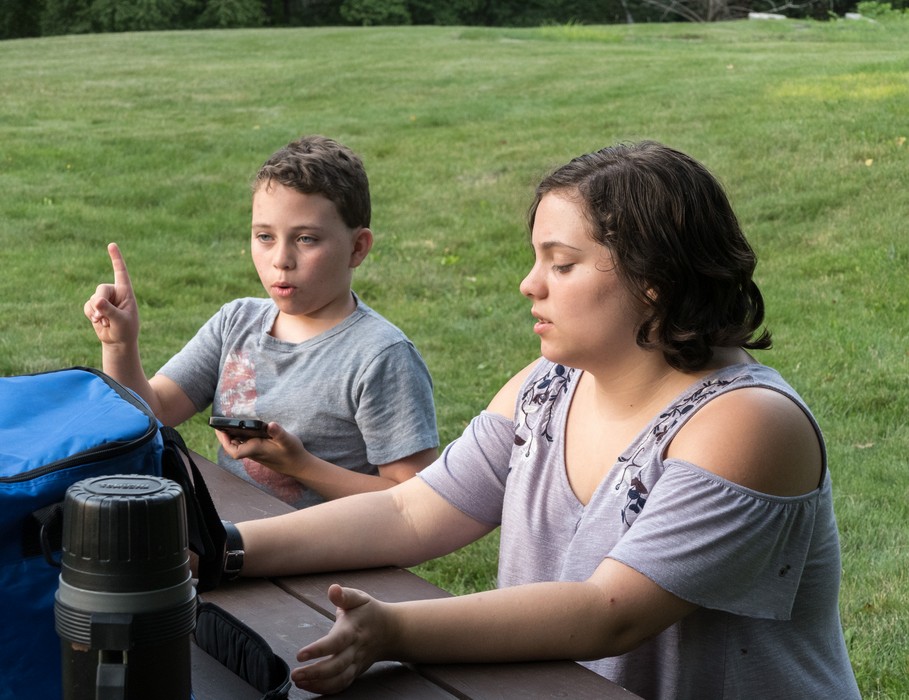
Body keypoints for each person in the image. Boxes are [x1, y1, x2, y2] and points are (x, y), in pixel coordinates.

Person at [220, 141, 861, 698]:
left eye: (562, 263)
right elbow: (410, 512)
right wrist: (220, 549)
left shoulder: (744, 423)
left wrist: (394, 629)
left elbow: (609, 611)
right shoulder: (546, 387)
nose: (530, 285)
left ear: (655, 278)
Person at [84, 135, 439, 509]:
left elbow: (415, 501)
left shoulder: (381, 356)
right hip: (233, 533)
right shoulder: (236, 322)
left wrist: (300, 465)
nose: (281, 259)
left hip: (328, 554)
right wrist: (119, 344)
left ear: (357, 247)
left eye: (305, 239)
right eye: (265, 237)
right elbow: (153, 412)